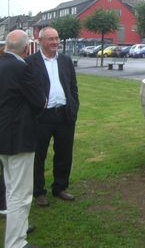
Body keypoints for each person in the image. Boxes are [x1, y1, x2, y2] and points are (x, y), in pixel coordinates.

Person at [0, 30, 47, 248]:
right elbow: (39, 101)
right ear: (27, 48)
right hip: (19, 138)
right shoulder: (21, 67)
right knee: (21, 193)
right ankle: (16, 243)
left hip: (3, 137)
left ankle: (17, 229)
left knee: (11, 189)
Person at [25, 27, 80, 207]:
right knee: (38, 156)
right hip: (42, 117)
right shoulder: (30, 62)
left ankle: (60, 187)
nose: (55, 42)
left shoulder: (65, 60)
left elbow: (73, 87)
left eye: (57, 38)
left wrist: (73, 107)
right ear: (40, 41)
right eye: (51, 39)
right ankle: (39, 192)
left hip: (64, 115)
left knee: (64, 154)